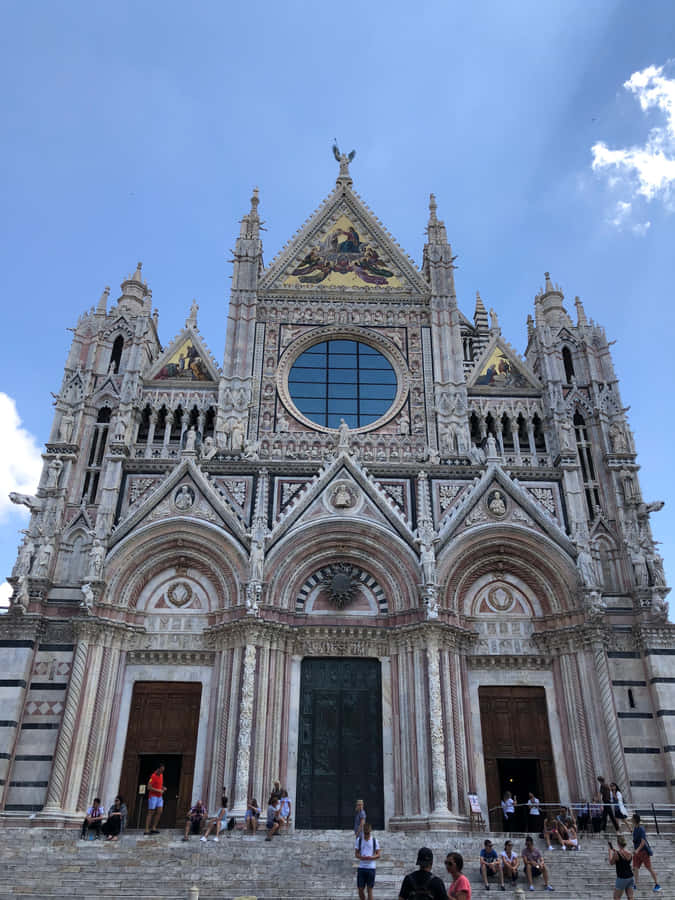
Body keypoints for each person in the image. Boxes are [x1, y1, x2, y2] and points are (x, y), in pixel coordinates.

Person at [631, 813, 661, 892]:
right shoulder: (635, 828)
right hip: (637, 853)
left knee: (649, 868)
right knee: (635, 868)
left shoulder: (641, 829)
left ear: (635, 820)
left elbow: (643, 842)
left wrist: (637, 850)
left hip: (643, 852)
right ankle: (635, 885)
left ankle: (657, 884)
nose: (631, 819)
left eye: (632, 818)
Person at [355, 821, 381, 900]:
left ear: (370, 832)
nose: (367, 835)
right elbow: (356, 854)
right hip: (361, 867)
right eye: (365, 833)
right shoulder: (359, 840)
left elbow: (378, 854)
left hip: (371, 868)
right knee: (360, 889)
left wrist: (371, 857)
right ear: (363, 832)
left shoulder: (374, 841)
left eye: (368, 833)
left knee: (369, 890)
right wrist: (361, 857)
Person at [608, 834, 635, 899]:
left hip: (622, 877)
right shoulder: (629, 852)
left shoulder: (616, 853)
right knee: (630, 897)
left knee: (616, 897)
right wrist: (614, 851)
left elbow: (611, 862)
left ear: (618, 843)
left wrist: (610, 852)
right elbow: (623, 858)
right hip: (630, 876)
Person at [144, 764, 166, 835]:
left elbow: (159, 785)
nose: (162, 772)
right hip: (153, 796)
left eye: (163, 770)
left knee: (160, 811)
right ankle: (146, 829)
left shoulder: (161, 776)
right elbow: (149, 787)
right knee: (151, 812)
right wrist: (158, 790)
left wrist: (162, 788)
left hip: (159, 797)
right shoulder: (153, 776)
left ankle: (154, 827)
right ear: (158, 769)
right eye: (161, 770)